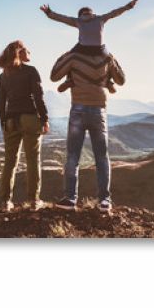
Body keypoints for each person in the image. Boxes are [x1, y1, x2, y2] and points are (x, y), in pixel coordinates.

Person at [50, 49, 125, 213]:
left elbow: (54, 75)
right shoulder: (107, 57)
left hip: (78, 109)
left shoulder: (74, 55)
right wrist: (112, 58)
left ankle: (70, 199)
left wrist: (67, 55)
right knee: (102, 157)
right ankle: (105, 201)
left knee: (73, 156)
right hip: (99, 111)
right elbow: (121, 80)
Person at [0, 40, 49, 212]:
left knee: (10, 161)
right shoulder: (30, 71)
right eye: (27, 50)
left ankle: (5, 202)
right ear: (21, 53)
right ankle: (33, 201)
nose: (30, 53)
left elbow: (1, 102)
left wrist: (3, 123)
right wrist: (45, 118)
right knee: (32, 160)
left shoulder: (4, 75)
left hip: (10, 121)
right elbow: (39, 97)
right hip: (30, 118)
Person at [39, 0, 138, 93]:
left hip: (83, 48)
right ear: (92, 13)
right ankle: (108, 82)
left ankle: (69, 79)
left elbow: (62, 18)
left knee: (70, 56)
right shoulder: (100, 18)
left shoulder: (78, 21)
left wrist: (49, 12)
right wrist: (128, 6)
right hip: (99, 49)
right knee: (110, 59)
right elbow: (114, 13)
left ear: (79, 15)